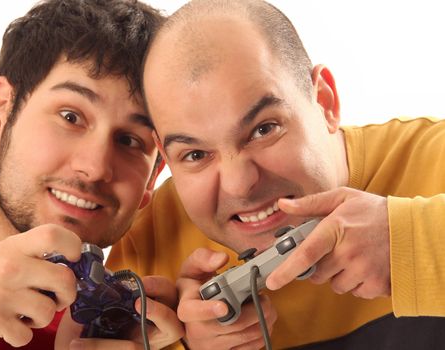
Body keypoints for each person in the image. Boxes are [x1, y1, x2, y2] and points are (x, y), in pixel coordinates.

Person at [107, 0, 445, 348]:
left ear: (325, 101)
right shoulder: (145, 245)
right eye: (195, 154)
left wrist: (415, 245)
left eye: (263, 129)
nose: (240, 184)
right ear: (165, 157)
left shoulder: (436, 158)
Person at [0, 0, 184, 349]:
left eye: (130, 141)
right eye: (71, 117)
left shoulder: (118, 316)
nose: (96, 167)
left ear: (152, 178)